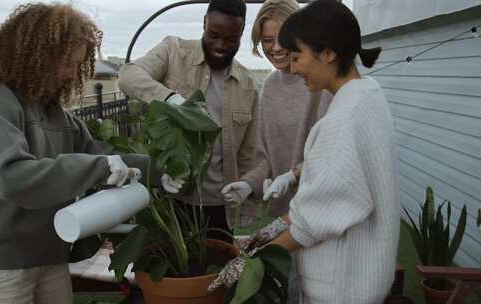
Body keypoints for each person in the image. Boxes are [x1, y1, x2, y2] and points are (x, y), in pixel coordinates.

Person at [0, 4, 177, 304]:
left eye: (78, 63)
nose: (72, 72)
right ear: (37, 53)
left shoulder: (54, 113)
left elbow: (102, 154)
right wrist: (98, 168)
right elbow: (12, 177)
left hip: (50, 257)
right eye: (66, 63)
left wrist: (160, 172)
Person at [209, 1, 400, 303]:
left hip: (341, 283)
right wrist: (262, 188)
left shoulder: (342, 120)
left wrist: (248, 261)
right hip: (352, 270)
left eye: (297, 56)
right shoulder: (368, 96)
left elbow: (311, 220)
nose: (293, 66)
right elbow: (327, 179)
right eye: (267, 42)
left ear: (328, 53)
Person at [118, 0, 259, 240]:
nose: (220, 46)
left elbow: (247, 153)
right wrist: (171, 100)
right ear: (204, 22)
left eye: (230, 39)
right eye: (213, 35)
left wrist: (248, 203)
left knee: (214, 272)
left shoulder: (247, 86)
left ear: (241, 33)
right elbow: (128, 75)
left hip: (219, 205)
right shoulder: (173, 51)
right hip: (170, 197)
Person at [220, 0, 331, 225]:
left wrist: (292, 176)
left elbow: (332, 152)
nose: (276, 47)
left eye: (283, 38)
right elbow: (265, 158)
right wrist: (248, 184)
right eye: (268, 40)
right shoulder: (270, 86)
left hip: (320, 209)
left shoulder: (322, 82)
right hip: (283, 214)